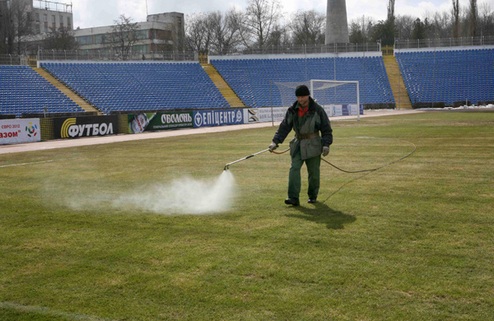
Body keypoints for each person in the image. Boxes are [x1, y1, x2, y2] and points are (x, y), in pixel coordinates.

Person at [268, 85, 333, 206]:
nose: (300, 99)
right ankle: (293, 197)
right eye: (298, 97)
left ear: (308, 96)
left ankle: (312, 196)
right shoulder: (292, 110)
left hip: (313, 145)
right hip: (297, 144)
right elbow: (284, 127)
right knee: (294, 169)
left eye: (302, 96)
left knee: (313, 173)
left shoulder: (318, 110)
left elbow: (326, 129)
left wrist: (326, 144)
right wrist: (275, 142)